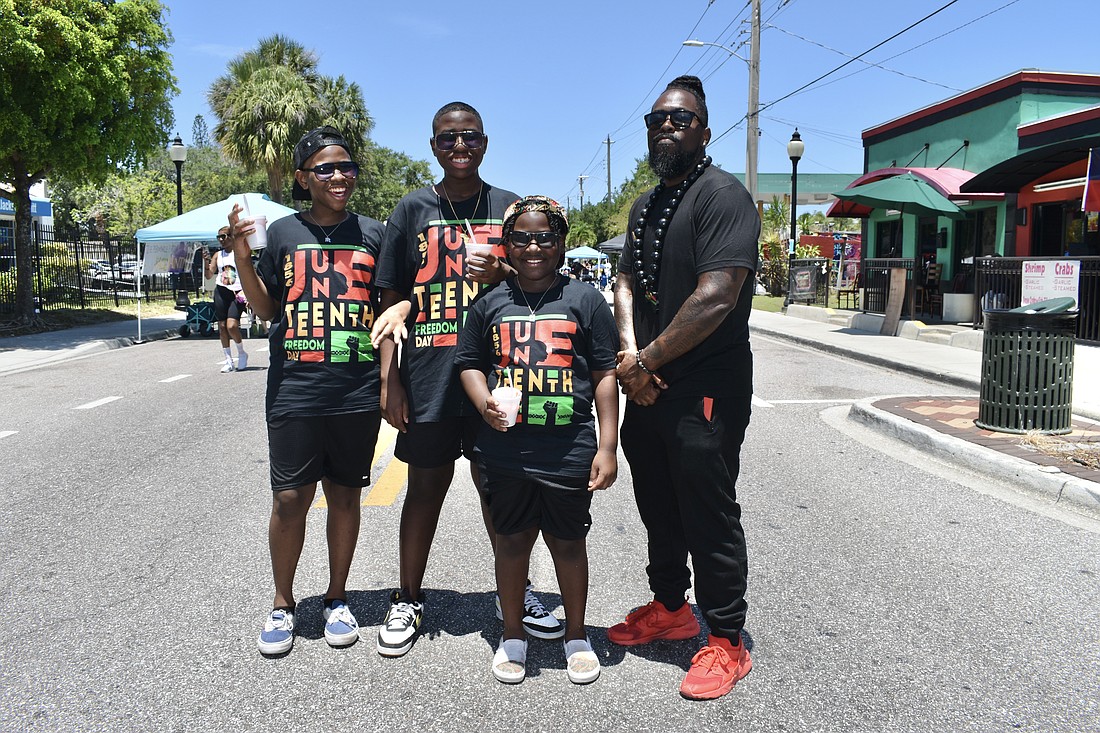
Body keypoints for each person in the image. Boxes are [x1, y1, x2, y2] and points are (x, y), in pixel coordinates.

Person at [371, 102, 563, 658]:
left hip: (500, 374)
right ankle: (408, 597)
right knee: (424, 490)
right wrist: (391, 380)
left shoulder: (508, 208)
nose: (460, 146)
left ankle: (517, 592)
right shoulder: (412, 209)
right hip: (429, 373)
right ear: (434, 145)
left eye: (470, 136)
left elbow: (537, 281)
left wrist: (502, 270)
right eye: (449, 137)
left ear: (485, 142)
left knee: (499, 491)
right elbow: (390, 300)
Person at [610, 75, 760, 700]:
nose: (665, 129)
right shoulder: (646, 204)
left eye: (679, 120)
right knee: (658, 503)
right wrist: (628, 356)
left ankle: (726, 640)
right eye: (656, 120)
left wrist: (644, 360)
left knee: (707, 510)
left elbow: (717, 295)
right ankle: (671, 607)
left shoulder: (724, 197)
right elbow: (622, 279)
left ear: (703, 129)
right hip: (646, 384)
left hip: (705, 385)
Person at [227, 126, 388, 656]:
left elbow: (389, 310)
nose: (339, 176)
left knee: (345, 494)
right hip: (294, 388)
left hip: (355, 389)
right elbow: (269, 310)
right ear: (303, 178)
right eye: (326, 169)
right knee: (291, 498)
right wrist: (243, 257)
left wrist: (390, 379)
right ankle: (282, 602)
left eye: (347, 167)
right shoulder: (282, 234)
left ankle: (336, 598)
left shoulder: (374, 233)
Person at [455, 196, 618, 685]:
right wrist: (484, 400)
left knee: (568, 544)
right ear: (506, 244)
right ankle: (512, 635)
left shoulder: (585, 299)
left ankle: (575, 635)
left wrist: (607, 446)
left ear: (561, 243)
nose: (533, 246)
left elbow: (605, 373)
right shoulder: (489, 303)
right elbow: (468, 362)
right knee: (511, 542)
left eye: (544, 236)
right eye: (521, 237)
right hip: (506, 451)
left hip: (569, 448)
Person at [203, 225, 248, 372]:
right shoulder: (218, 255)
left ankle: (241, 353)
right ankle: (228, 360)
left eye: (223, 236)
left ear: (231, 237)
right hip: (222, 291)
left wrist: (246, 292)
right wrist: (206, 262)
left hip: (237, 292)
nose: (221, 240)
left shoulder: (239, 252)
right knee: (222, 327)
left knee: (232, 325)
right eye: (219, 237)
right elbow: (209, 275)